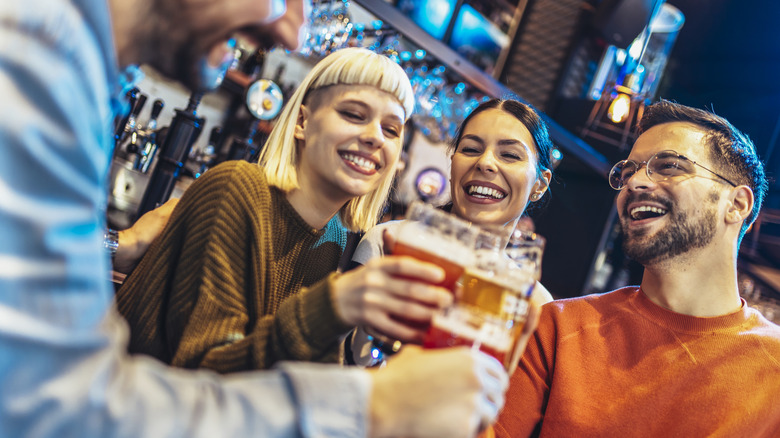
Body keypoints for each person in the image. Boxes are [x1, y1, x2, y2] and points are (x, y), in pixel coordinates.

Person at [0, 0, 512, 436]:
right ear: (304, 122)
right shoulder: (238, 189)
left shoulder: (342, 239)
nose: (289, 29)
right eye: (354, 115)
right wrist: (357, 376)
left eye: (393, 129)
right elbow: (197, 375)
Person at [492, 100, 780, 437]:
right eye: (630, 172)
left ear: (736, 205)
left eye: (669, 166)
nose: (635, 183)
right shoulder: (557, 329)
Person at [352, 98, 555, 304]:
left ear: (540, 184)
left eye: (510, 155)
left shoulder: (535, 303)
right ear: (452, 166)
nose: (484, 163)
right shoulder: (390, 242)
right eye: (470, 149)